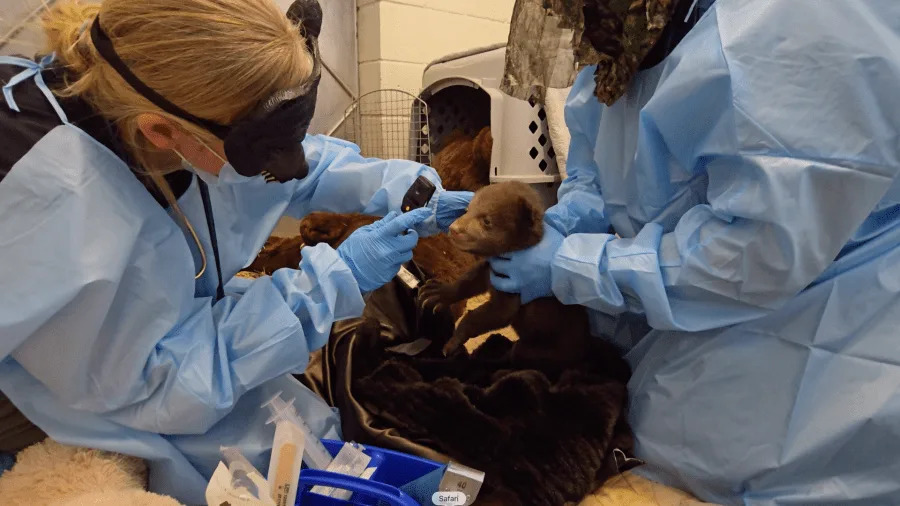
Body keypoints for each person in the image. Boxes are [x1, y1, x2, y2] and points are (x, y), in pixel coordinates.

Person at [0, 0, 471, 503]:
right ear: (160, 132)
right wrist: (336, 280)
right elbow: (156, 384)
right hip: (69, 374)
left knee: (292, 430)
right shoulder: (51, 201)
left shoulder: (174, 104)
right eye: (264, 148)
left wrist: (397, 184)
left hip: (152, 334)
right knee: (228, 466)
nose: (288, 165)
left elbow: (292, 159)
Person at [492, 0, 900, 503]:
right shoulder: (631, 42)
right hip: (720, 281)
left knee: (700, 442)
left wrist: (572, 265)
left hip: (841, 298)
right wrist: (557, 227)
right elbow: (593, 166)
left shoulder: (790, 30)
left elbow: (754, 254)